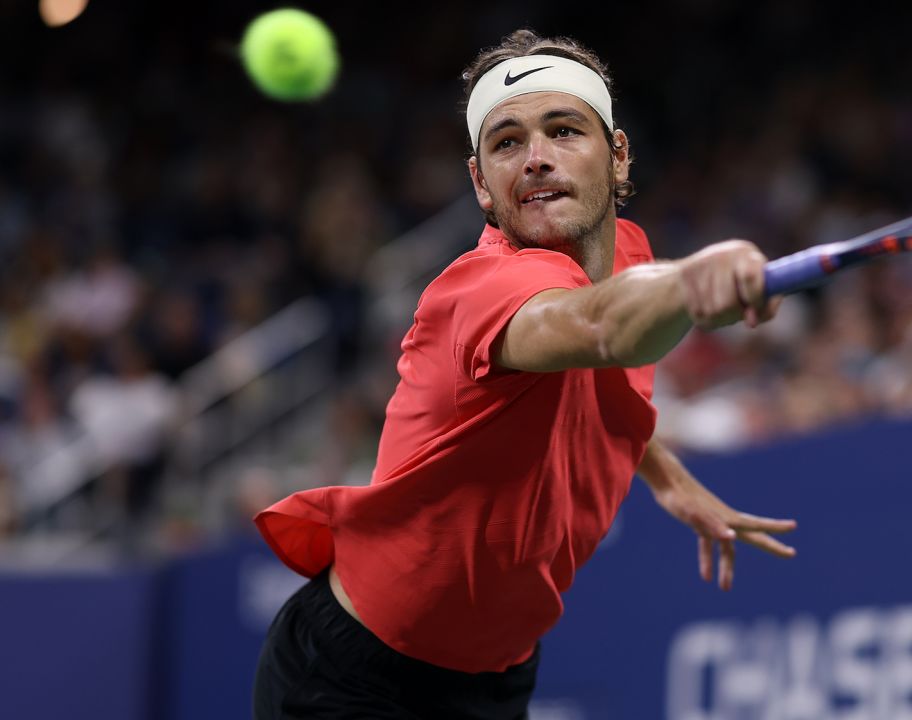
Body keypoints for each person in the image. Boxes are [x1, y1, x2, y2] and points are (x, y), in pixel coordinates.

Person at [252, 29, 798, 719]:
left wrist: (666, 475)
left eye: (564, 130)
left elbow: (597, 379)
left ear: (619, 155)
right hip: (352, 677)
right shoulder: (481, 292)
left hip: (497, 678)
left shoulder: (629, 255)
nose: (536, 159)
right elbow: (598, 328)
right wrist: (692, 283)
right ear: (482, 184)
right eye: (507, 143)